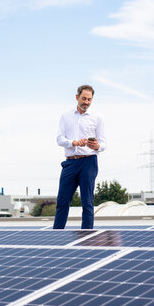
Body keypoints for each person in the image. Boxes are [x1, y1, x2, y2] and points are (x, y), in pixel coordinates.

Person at [54, 85, 106, 229]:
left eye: (89, 99)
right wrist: (73, 143)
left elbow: (103, 143)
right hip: (70, 163)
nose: (86, 102)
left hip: (89, 162)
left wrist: (97, 146)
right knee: (62, 201)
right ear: (77, 97)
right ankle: (56, 236)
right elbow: (59, 139)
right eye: (84, 99)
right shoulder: (65, 116)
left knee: (87, 203)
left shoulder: (97, 118)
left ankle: (87, 238)